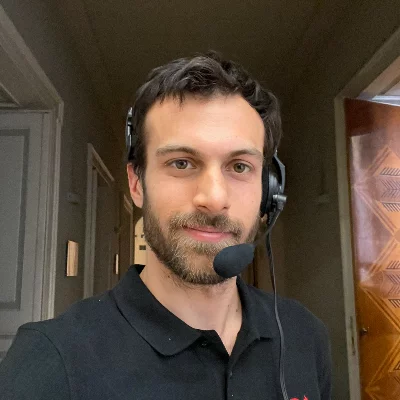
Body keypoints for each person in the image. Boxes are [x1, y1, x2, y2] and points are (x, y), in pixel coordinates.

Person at [0, 52, 331, 400]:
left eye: (239, 167)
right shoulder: (49, 362)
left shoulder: (305, 335)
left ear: (270, 190)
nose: (214, 198)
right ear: (136, 183)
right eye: (182, 163)